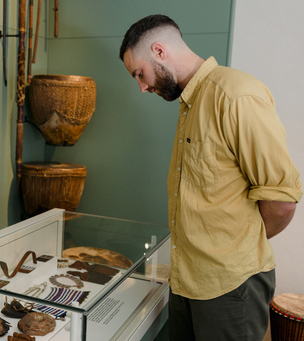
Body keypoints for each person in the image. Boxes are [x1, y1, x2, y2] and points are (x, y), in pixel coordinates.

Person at [119, 14, 302, 341]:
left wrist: (236, 248)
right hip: (186, 281)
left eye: (140, 74)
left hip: (231, 287)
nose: (142, 87)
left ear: (159, 52)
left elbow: (282, 201)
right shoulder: (191, 102)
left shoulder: (236, 95)